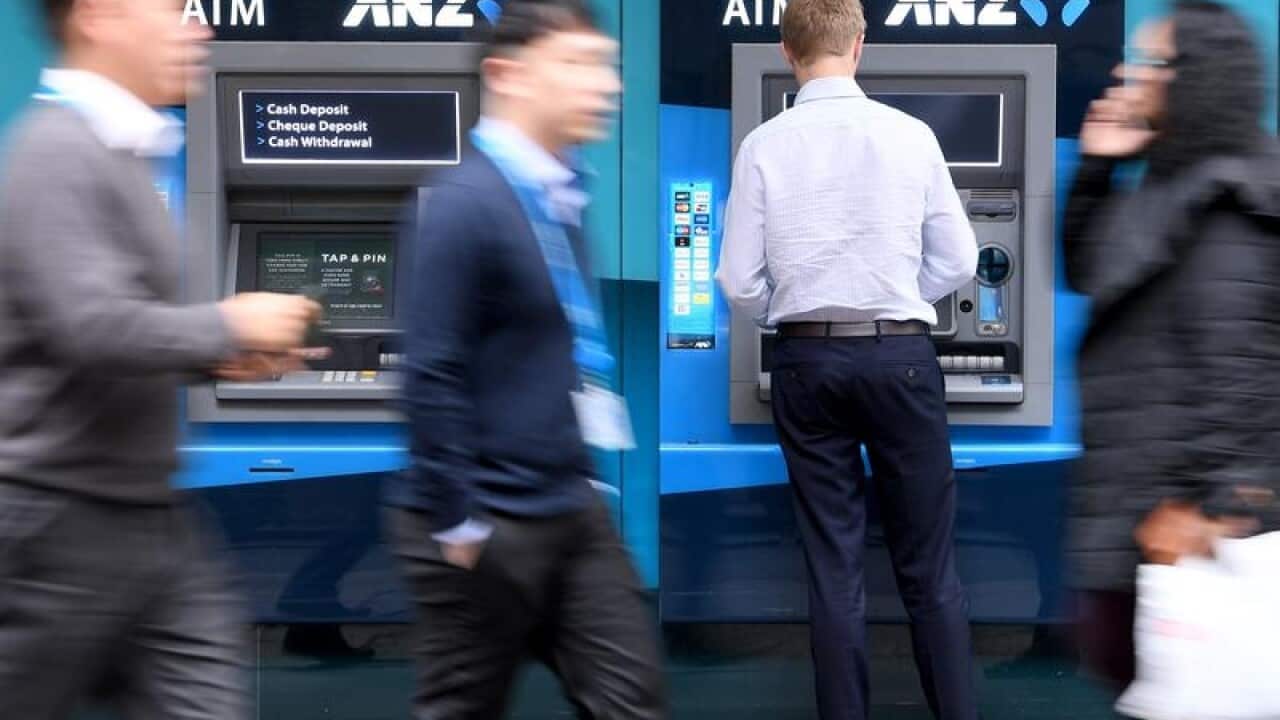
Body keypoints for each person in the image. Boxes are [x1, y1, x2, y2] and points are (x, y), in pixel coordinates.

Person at [0, 0, 323, 717]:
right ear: (99, 17)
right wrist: (227, 324)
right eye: (173, 9)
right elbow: (90, 325)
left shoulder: (120, 151)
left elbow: (115, 328)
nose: (197, 27)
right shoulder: (56, 151)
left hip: (149, 515)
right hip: (57, 519)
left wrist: (218, 359)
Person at [385, 1, 666, 717]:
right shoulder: (458, 200)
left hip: (570, 510)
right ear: (507, 75)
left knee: (634, 703)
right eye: (577, 64)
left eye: (606, 67)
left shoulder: (560, 197)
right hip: (487, 521)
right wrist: (460, 526)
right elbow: (431, 369)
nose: (604, 85)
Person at [716, 1, 980, 718]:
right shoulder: (912, 135)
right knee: (930, 568)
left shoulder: (764, 144)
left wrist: (792, 311)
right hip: (901, 358)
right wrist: (899, 301)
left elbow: (737, 282)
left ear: (785, 50)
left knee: (834, 568)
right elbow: (958, 260)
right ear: (860, 44)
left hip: (806, 364)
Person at [1063, 0, 1280, 697]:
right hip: (1136, 512)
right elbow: (1087, 268)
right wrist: (1096, 169)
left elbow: (1240, 365)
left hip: (1179, 529)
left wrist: (1209, 505)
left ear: (1199, 78)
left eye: (1153, 60)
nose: (1129, 70)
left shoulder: (1227, 204)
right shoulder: (1168, 184)